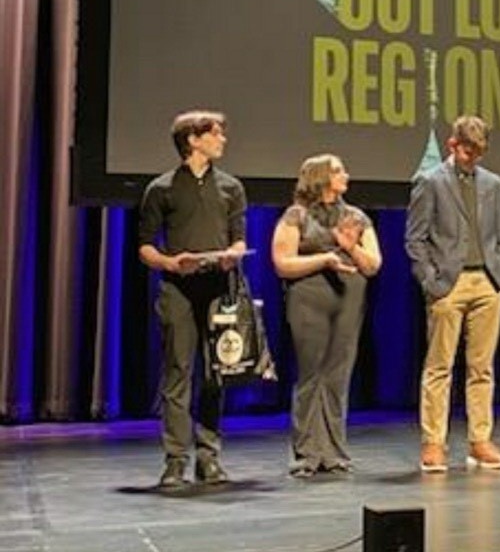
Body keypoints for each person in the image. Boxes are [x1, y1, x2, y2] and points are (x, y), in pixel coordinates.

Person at [138, 110, 248, 488]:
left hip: (219, 287)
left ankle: (209, 456)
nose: (223, 140)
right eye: (216, 133)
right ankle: (175, 460)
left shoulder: (231, 187)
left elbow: (238, 238)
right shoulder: (162, 188)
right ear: (193, 140)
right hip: (178, 289)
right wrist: (171, 263)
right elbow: (146, 247)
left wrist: (234, 253)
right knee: (178, 373)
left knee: (216, 373)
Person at [405, 115, 500, 473]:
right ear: (453, 145)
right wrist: (432, 282)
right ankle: (433, 443)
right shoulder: (429, 181)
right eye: (468, 151)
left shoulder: (493, 183)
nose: (473, 159)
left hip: (487, 282)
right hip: (447, 286)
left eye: (479, 153)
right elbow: (415, 239)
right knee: (439, 367)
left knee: (481, 368)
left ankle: (479, 440)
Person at [271, 154, 382, 477]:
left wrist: (351, 247)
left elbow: (373, 264)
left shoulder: (355, 217)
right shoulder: (297, 215)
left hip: (349, 298)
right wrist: (324, 260)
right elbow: (282, 262)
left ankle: (334, 453)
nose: (345, 174)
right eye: (337, 170)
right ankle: (306, 454)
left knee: (337, 375)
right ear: (320, 178)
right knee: (312, 374)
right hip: (309, 298)